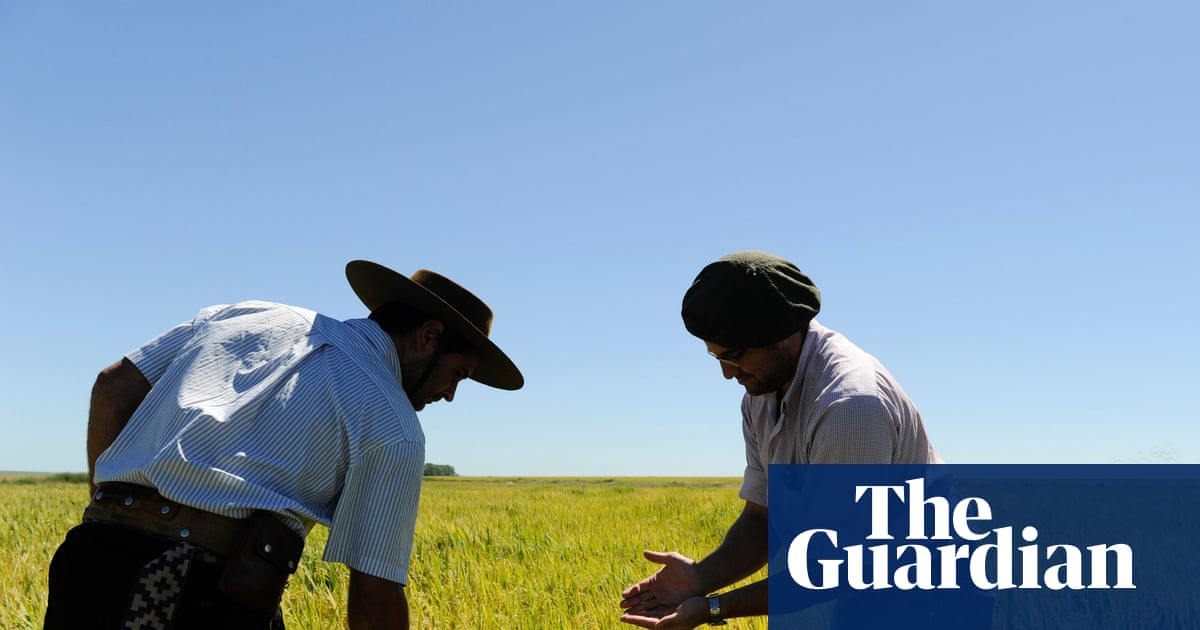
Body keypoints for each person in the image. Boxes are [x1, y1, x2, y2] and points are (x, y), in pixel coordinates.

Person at [45, 260, 523, 630]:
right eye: (457, 373)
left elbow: (112, 386)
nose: (451, 394)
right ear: (428, 336)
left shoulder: (246, 314)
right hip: (198, 596)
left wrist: (113, 513)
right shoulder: (393, 422)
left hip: (87, 562)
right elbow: (374, 601)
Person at [618, 250, 943, 629]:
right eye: (715, 355)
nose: (726, 373)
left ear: (784, 332)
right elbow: (762, 517)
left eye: (735, 355)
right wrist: (700, 579)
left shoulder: (850, 407)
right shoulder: (759, 395)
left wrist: (712, 608)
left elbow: (836, 567)